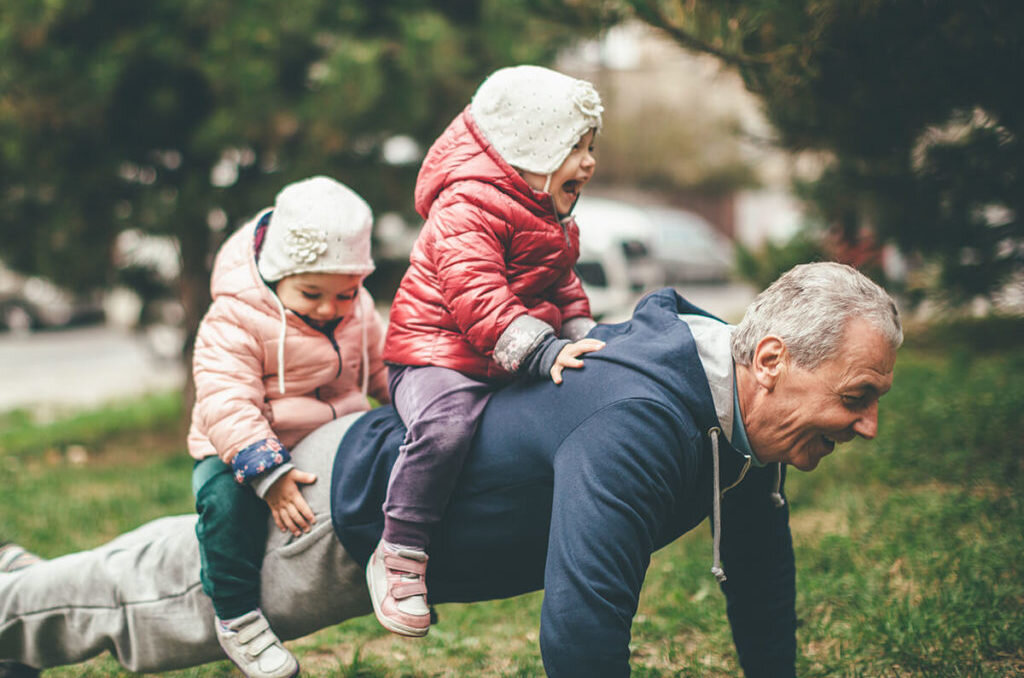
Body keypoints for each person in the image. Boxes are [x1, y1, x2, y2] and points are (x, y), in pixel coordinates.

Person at [0, 262, 902, 678]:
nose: (866, 426)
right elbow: (583, 629)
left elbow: (757, 566)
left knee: (142, 577)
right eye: (858, 397)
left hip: (374, 496)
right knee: (142, 607)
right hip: (339, 515)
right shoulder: (643, 419)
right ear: (773, 358)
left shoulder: (739, 409)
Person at [372, 64, 607, 636]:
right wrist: (542, 351)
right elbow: (476, 297)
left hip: (502, 349)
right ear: (531, 147)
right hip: (435, 352)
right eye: (574, 146)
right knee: (448, 424)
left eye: (591, 146)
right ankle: (400, 548)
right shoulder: (468, 207)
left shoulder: (549, 211)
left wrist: (579, 331)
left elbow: (560, 279)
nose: (589, 161)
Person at [187, 176, 390, 678]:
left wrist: (415, 400)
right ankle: (237, 617)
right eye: (311, 293)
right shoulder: (235, 317)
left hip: (333, 433)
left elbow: (384, 369)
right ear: (277, 274)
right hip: (243, 442)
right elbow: (226, 401)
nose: (329, 308)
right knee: (224, 505)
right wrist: (268, 473)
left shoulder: (357, 309)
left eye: (345, 294)